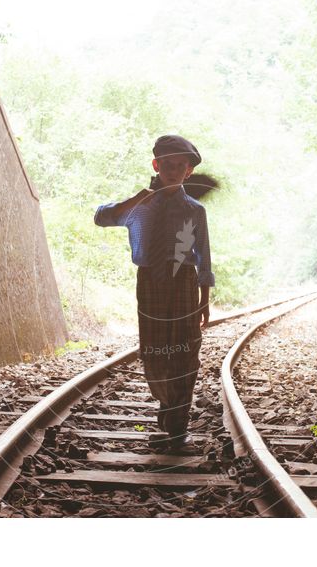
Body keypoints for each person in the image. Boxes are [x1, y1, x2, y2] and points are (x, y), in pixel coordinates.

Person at [94, 135, 215, 451]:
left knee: (186, 354)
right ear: (156, 165)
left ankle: (177, 429)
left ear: (188, 171)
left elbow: (202, 254)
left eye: (180, 166)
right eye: (167, 165)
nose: (173, 171)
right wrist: (135, 200)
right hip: (149, 284)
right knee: (156, 353)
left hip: (184, 284)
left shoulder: (194, 210)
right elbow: (101, 218)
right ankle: (167, 411)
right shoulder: (139, 207)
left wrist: (205, 299)